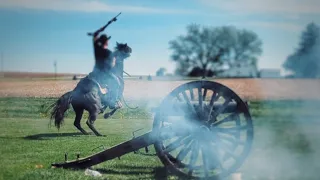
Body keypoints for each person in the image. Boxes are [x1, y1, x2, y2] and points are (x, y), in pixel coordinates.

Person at [87, 27, 122, 110]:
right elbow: (111, 66)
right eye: (107, 40)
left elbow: (95, 35)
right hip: (104, 73)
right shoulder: (109, 53)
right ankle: (113, 102)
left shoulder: (96, 48)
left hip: (95, 72)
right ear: (106, 42)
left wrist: (101, 29)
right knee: (117, 82)